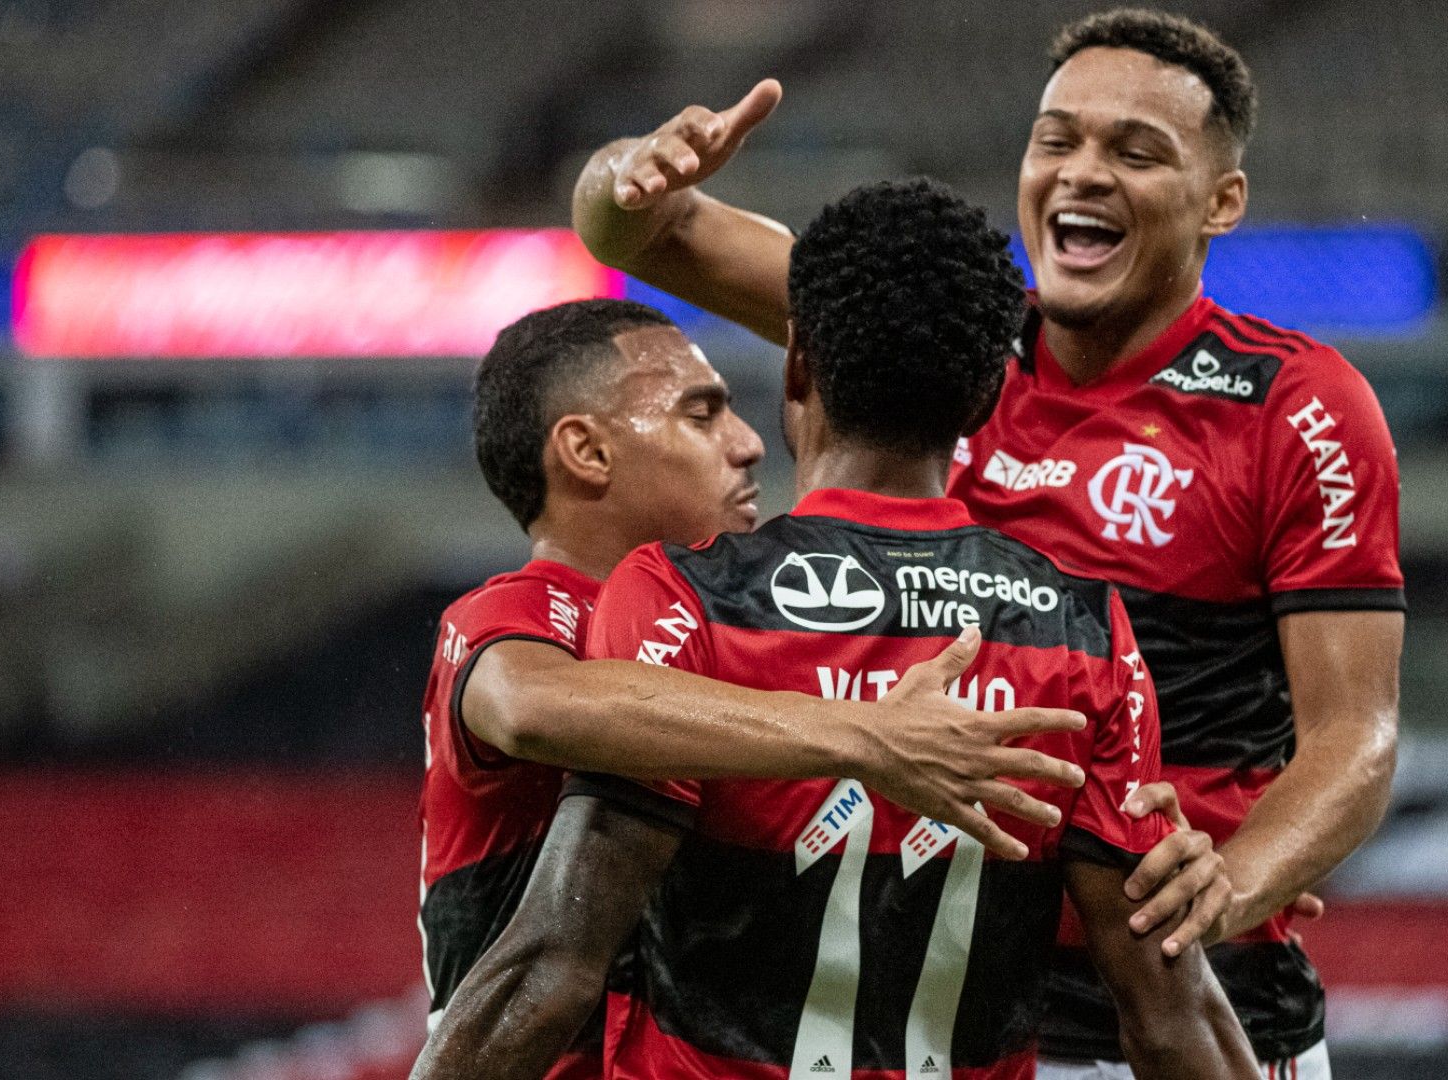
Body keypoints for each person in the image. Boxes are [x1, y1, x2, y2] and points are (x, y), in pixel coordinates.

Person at [569, 9, 1405, 1078]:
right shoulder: (942, 331)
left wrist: (1236, 880)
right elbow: (634, 231)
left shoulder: (1298, 406)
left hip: (1200, 1012)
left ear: (1220, 201)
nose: (1082, 172)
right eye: (1057, 140)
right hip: (966, 1025)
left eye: (1136, 152)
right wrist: (627, 172)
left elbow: (1357, 737)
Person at [418, 178, 1260, 1080]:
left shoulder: (680, 601)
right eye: (703, 413)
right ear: (986, 402)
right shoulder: (1082, 628)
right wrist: (1210, 876)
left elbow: (555, 960)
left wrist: (1219, 879)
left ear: (798, 366)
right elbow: (1169, 1014)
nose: (744, 441)